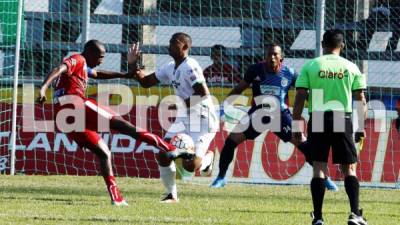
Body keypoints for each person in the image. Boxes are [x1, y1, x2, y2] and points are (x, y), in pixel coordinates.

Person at [37, 39, 180, 206]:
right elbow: (59, 68)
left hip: (65, 119)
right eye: (100, 57)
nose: (101, 61)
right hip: (74, 105)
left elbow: (98, 74)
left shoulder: (83, 66)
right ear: (90, 53)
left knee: (104, 153)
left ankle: (116, 198)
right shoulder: (78, 59)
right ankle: (169, 148)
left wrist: (123, 75)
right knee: (125, 126)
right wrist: (43, 88)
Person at [210, 44, 338, 191]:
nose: (271, 57)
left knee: (304, 144)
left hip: (280, 115)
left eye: (275, 55)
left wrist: (318, 108)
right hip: (258, 113)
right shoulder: (255, 70)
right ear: (265, 56)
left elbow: (305, 93)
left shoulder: (289, 73)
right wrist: (223, 107)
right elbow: (239, 88)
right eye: (269, 54)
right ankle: (221, 177)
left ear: (281, 58)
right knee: (231, 140)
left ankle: (326, 179)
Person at [130, 32, 218, 203]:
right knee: (163, 153)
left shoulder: (190, 66)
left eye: (174, 42)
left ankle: (207, 160)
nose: (169, 44)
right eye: (170, 41)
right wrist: (134, 63)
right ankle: (172, 195)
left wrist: (178, 105)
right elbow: (145, 82)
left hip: (202, 120)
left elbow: (203, 93)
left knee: (190, 166)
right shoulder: (170, 67)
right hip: (184, 117)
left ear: (185, 47)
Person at [292, 29, 368, 225]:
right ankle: (355, 214)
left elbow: (300, 96)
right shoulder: (351, 67)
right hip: (343, 117)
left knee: (318, 167)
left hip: (318, 117)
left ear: (323, 44)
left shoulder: (311, 66)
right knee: (349, 168)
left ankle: (318, 217)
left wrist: (296, 121)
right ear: (342, 46)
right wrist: (360, 126)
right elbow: (360, 99)